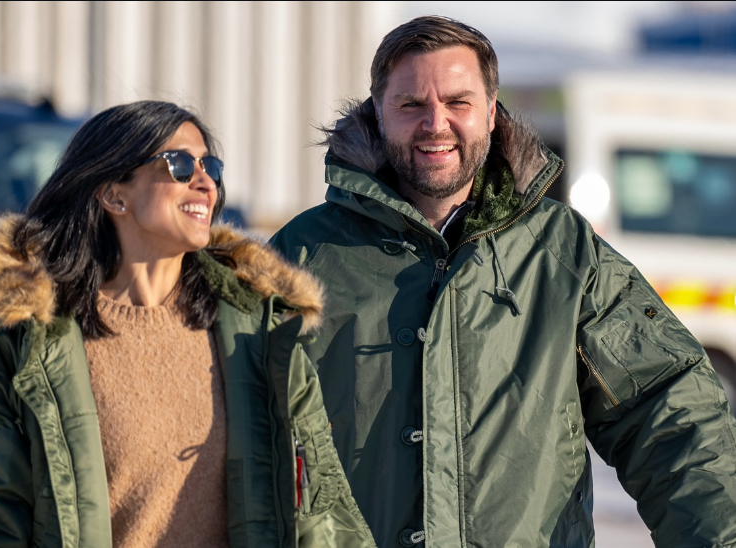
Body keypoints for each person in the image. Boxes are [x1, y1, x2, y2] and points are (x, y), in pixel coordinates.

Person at [270, 15, 736, 548]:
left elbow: (669, 409)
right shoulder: (302, 257)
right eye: (411, 105)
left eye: (458, 102)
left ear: (492, 113)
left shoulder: (562, 253)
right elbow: (238, 436)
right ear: (379, 113)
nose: (435, 123)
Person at [0, 100, 375, 548]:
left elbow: (322, 513)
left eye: (210, 166)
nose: (204, 183)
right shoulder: (26, 348)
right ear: (113, 194)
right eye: (179, 164)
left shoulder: (261, 335)